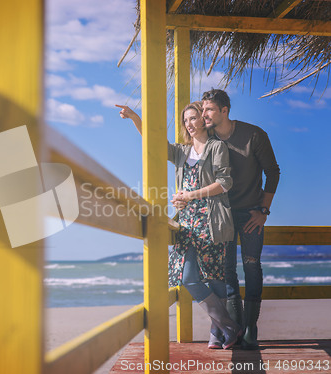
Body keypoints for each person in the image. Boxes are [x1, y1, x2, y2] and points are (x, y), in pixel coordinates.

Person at [116, 102, 240, 349]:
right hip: (187, 222)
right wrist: (134, 118)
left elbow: (225, 183)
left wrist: (190, 195)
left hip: (212, 220)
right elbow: (154, 142)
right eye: (186, 121)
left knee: (215, 277)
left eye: (193, 118)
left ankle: (217, 331)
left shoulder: (217, 148)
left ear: (203, 120)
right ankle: (230, 325)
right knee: (187, 276)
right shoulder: (181, 152)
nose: (189, 124)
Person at [176, 89, 280, 350]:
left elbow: (273, 173)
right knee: (226, 271)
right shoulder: (207, 138)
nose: (204, 115)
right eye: (202, 111)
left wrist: (263, 211)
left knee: (252, 265)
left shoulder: (253, 135)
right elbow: (187, 156)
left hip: (251, 213)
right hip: (220, 214)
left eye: (208, 110)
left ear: (224, 110)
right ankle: (233, 326)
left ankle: (250, 330)